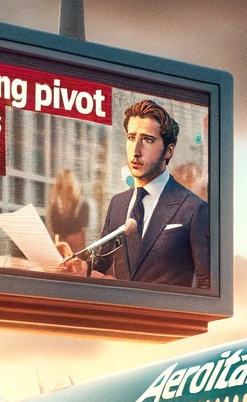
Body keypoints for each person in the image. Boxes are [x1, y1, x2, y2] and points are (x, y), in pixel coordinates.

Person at [58, 100, 210, 288]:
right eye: (131, 138)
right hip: (119, 315)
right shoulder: (118, 203)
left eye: (147, 140)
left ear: (168, 151)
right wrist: (77, 265)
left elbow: (207, 285)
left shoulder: (194, 208)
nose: (136, 151)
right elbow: (100, 265)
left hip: (165, 316)